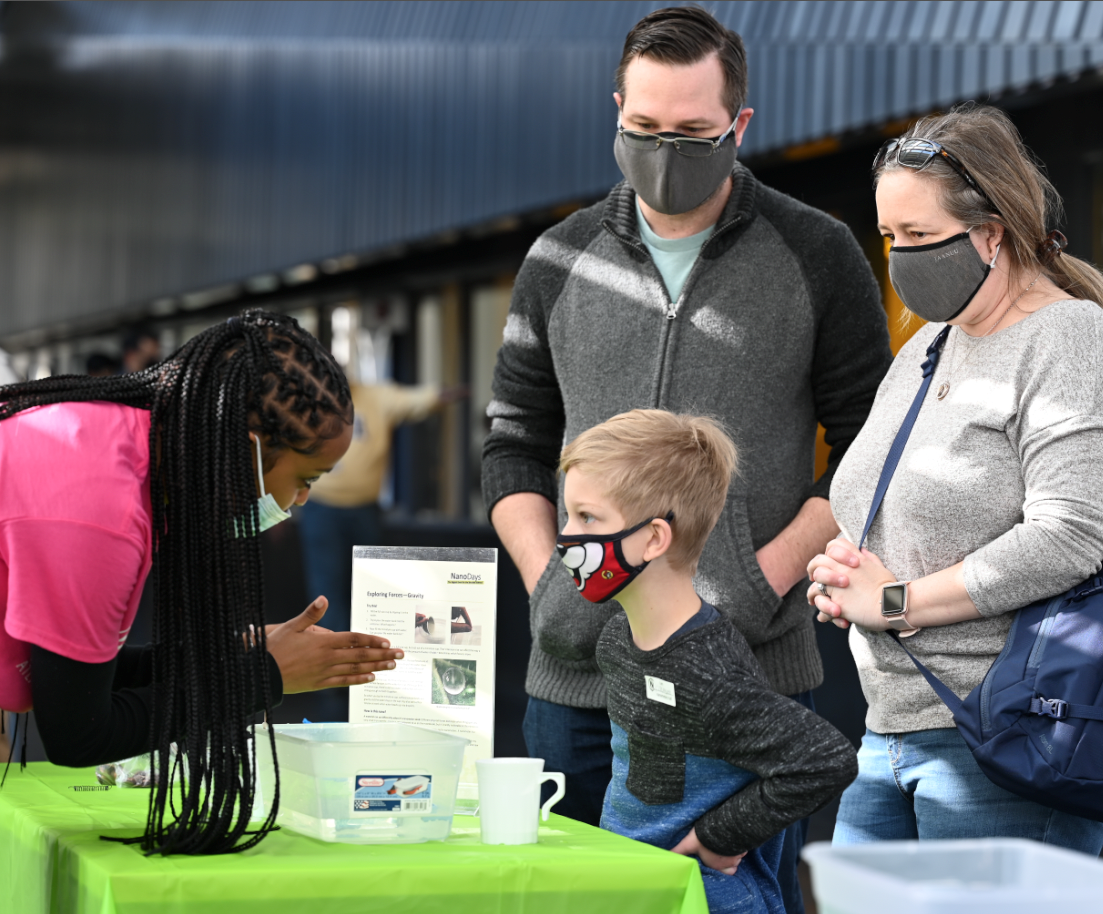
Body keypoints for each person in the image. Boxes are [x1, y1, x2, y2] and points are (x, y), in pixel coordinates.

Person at [483, 9, 887, 908]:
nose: (667, 150)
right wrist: (557, 577)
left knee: (727, 898)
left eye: (694, 134)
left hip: (740, 679)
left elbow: (870, 444)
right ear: (618, 110)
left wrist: (763, 578)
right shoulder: (558, 259)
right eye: (645, 130)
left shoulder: (818, 253)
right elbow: (511, 445)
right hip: (575, 681)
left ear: (739, 126)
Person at [807, 104, 1103, 854]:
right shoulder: (926, 347)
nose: (898, 258)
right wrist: (844, 567)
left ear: (992, 232)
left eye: (918, 237)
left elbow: (1071, 534)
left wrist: (894, 601)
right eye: (889, 237)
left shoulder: (1069, 337)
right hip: (890, 728)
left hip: (1004, 732)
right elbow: (876, 497)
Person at [0, 310, 404, 855]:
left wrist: (230, 656)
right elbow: (78, 731)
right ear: (249, 448)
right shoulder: (102, 515)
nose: (302, 501)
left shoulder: (116, 444)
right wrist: (260, 676)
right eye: (305, 479)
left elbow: (73, 675)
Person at [560, 410, 857, 914]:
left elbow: (824, 759)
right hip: (636, 889)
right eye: (567, 516)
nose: (566, 538)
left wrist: (718, 834)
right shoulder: (616, 640)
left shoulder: (706, 671)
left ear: (654, 538)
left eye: (586, 518)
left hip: (710, 899)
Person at [300, 380, 464, 634]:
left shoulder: (376, 397)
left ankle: (366, 651)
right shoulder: (307, 399)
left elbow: (417, 399)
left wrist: (446, 393)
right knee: (326, 588)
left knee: (371, 587)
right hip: (320, 508)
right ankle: (334, 656)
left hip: (365, 509)